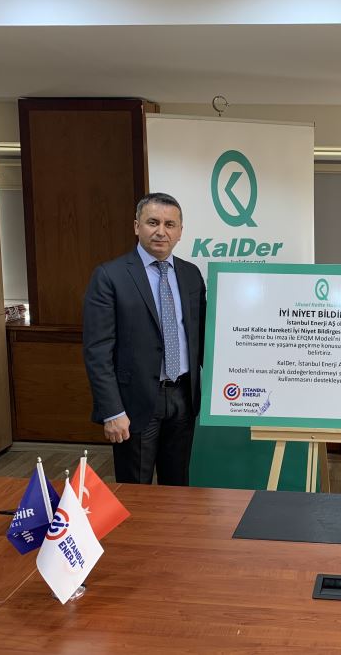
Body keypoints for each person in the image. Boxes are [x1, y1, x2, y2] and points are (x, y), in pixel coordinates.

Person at [82, 192, 206, 485]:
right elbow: (97, 351)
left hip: (183, 398)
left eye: (169, 224)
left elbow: (201, 337)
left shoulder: (191, 275)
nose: (161, 231)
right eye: (153, 222)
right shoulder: (110, 276)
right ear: (137, 226)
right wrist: (112, 411)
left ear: (180, 231)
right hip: (133, 405)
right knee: (135, 491)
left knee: (177, 488)